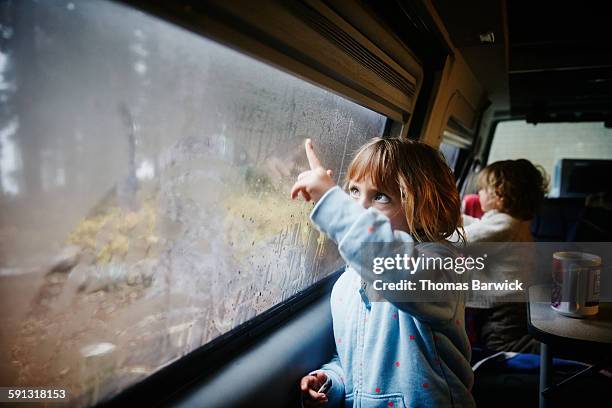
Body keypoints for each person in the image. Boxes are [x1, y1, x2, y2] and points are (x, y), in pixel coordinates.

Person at [291, 138, 474, 407]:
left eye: (380, 196)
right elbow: (353, 360)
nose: (358, 207)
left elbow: (398, 271)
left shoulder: (439, 266)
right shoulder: (347, 284)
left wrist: (332, 203)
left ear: (421, 206)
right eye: (353, 192)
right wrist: (331, 381)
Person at [459, 159, 548, 354]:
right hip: (511, 298)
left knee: (502, 344)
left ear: (500, 196)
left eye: (482, 189)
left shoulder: (505, 225)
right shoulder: (511, 222)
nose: (477, 193)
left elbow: (462, 240)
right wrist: (453, 218)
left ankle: (558, 351)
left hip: (505, 304)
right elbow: (478, 227)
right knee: (500, 337)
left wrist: (430, 233)